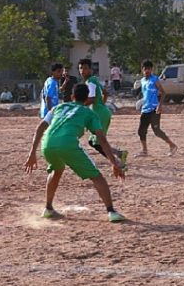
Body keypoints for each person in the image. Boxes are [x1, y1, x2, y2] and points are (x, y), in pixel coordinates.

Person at [24, 82, 126, 222]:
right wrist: (114, 162)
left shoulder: (58, 107)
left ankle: (48, 208)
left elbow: (41, 126)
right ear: (87, 99)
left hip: (47, 144)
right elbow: (101, 139)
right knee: (97, 177)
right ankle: (111, 211)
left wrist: (32, 153)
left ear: (72, 96)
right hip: (67, 144)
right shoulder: (89, 113)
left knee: (56, 170)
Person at [79, 58, 128, 170]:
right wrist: (101, 105)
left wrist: (79, 106)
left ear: (90, 70)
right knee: (93, 142)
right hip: (101, 112)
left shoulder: (90, 82)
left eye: (85, 68)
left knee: (98, 143)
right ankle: (120, 154)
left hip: (99, 114)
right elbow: (105, 93)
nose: (82, 71)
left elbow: (91, 98)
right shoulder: (94, 80)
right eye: (81, 68)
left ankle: (118, 164)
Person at [137, 59, 178, 157]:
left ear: (151, 69)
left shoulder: (155, 79)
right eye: (145, 69)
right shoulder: (142, 81)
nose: (147, 71)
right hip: (145, 109)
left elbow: (163, 92)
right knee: (141, 131)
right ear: (142, 70)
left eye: (149, 69)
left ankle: (172, 145)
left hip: (154, 109)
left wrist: (159, 105)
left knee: (157, 131)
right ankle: (144, 151)